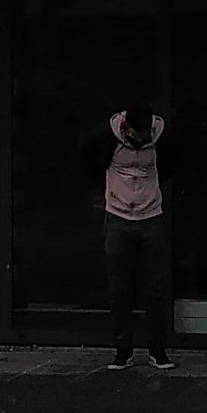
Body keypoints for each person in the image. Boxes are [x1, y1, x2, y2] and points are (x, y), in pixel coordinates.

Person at [80, 102, 178, 370]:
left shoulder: (163, 137)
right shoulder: (106, 136)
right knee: (119, 286)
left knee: (156, 287)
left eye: (144, 136)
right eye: (136, 135)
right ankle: (123, 349)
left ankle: (157, 349)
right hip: (118, 216)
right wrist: (107, 191)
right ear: (125, 128)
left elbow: (170, 166)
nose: (140, 140)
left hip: (151, 216)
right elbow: (87, 159)